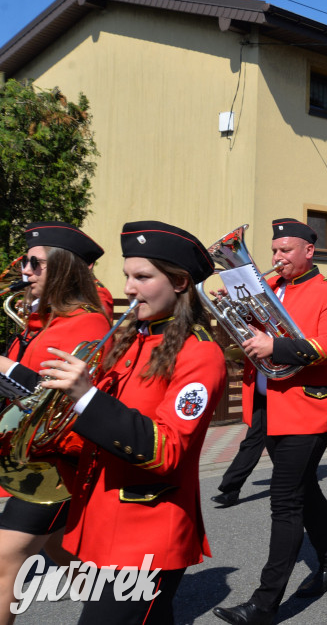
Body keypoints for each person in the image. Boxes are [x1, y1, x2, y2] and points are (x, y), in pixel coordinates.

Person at [40, 220, 226, 623]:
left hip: (147, 533)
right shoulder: (127, 339)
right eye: (127, 275)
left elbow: (167, 451)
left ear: (179, 282)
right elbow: (95, 429)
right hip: (103, 520)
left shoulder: (199, 354)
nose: (128, 288)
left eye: (142, 276)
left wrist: (86, 397)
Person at [214, 218, 327, 625]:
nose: (276, 258)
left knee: (285, 501)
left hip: (307, 409)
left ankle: (264, 603)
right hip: (268, 407)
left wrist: (277, 344)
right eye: (274, 251)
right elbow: (247, 338)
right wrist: (233, 310)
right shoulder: (269, 289)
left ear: (309, 251)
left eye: (285, 251)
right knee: (304, 488)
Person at [0, 222, 110, 624]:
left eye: (35, 264)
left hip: (58, 462)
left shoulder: (89, 325)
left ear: (64, 269)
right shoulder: (46, 321)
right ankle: (117, 599)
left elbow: (69, 399)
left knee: (4, 559)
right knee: (63, 549)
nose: (25, 270)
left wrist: (10, 369)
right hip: (30, 453)